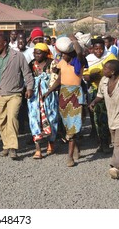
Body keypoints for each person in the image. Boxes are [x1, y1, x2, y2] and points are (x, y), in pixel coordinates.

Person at [0, 35, 34, 160]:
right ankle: (6, 145)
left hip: (14, 93)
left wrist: (29, 88)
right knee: (1, 121)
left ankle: (12, 148)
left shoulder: (17, 56)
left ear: (5, 43)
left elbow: (27, 73)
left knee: (12, 118)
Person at [44, 36, 87, 167]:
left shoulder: (78, 62)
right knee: (67, 125)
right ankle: (76, 146)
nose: (62, 55)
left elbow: (80, 53)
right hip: (63, 94)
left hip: (75, 94)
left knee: (73, 124)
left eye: (64, 53)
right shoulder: (62, 62)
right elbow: (59, 79)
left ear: (70, 53)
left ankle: (70, 157)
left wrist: (74, 42)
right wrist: (49, 91)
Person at [83, 38, 117, 153]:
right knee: (97, 118)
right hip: (94, 90)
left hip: (109, 89)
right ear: (92, 48)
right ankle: (102, 142)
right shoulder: (88, 59)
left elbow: (116, 71)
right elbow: (85, 76)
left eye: (101, 48)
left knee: (107, 117)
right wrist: (92, 77)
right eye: (96, 49)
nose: (99, 51)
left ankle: (108, 142)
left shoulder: (110, 56)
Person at [27, 43, 58, 159]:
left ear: (45, 53)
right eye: (35, 53)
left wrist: (48, 91)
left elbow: (56, 79)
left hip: (49, 95)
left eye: (39, 53)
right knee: (34, 118)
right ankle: (38, 149)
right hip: (34, 96)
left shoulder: (53, 63)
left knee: (51, 118)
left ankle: (51, 141)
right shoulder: (31, 64)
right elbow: (27, 78)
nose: (36, 55)